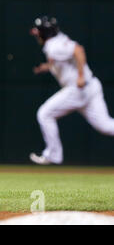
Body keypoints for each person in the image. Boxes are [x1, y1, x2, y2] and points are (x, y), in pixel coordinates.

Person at [29, 16, 114, 165]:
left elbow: (78, 50)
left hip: (78, 89)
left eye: (38, 33)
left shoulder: (54, 46)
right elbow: (62, 59)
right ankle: (53, 155)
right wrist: (46, 67)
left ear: (44, 33)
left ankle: (53, 156)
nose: (37, 36)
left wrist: (80, 75)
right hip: (91, 86)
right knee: (106, 126)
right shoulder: (58, 40)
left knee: (44, 114)